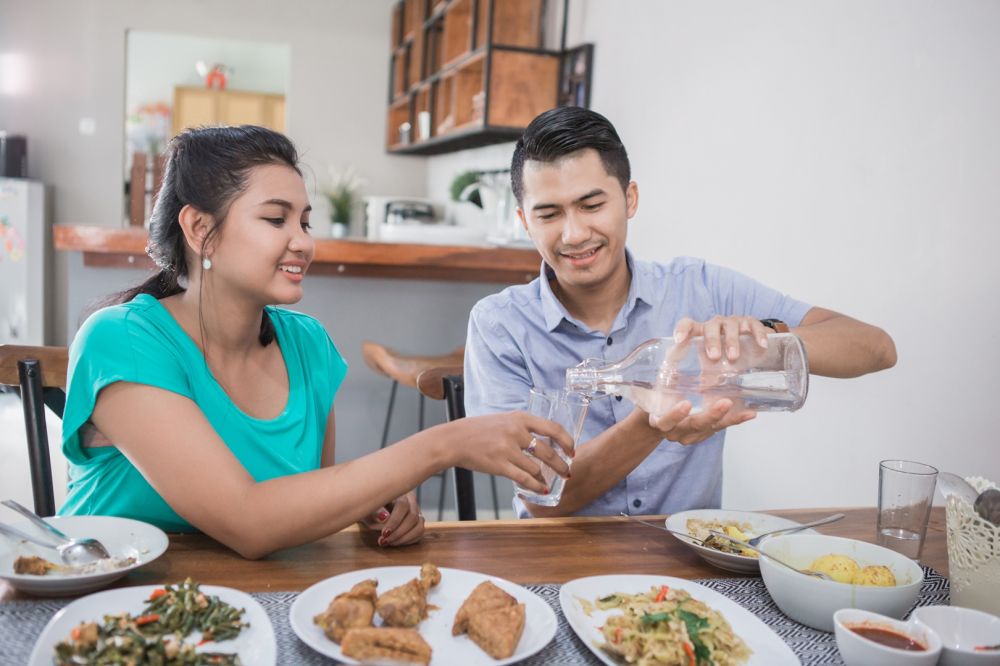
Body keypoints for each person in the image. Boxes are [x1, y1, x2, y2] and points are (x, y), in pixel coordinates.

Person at [59, 125, 572, 559]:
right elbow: (249, 521)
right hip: (106, 606)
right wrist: (446, 444)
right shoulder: (122, 339)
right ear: (199, 228)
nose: (303, 242)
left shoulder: (307, 345)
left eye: (305, 221)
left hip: (251, 608)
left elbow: (302, 509)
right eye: (275, 219)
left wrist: (370, 507)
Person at [464, 107, 896, 518]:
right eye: (549, 214)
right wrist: (653, 421)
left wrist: (763, 341)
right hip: (557, 557)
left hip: (688, 557)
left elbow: (877, 348)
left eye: (592, 206)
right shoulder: (499, 325)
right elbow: (543, 496)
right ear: (525, 221)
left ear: (630, 199)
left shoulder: (701, 288)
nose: (575, 234)